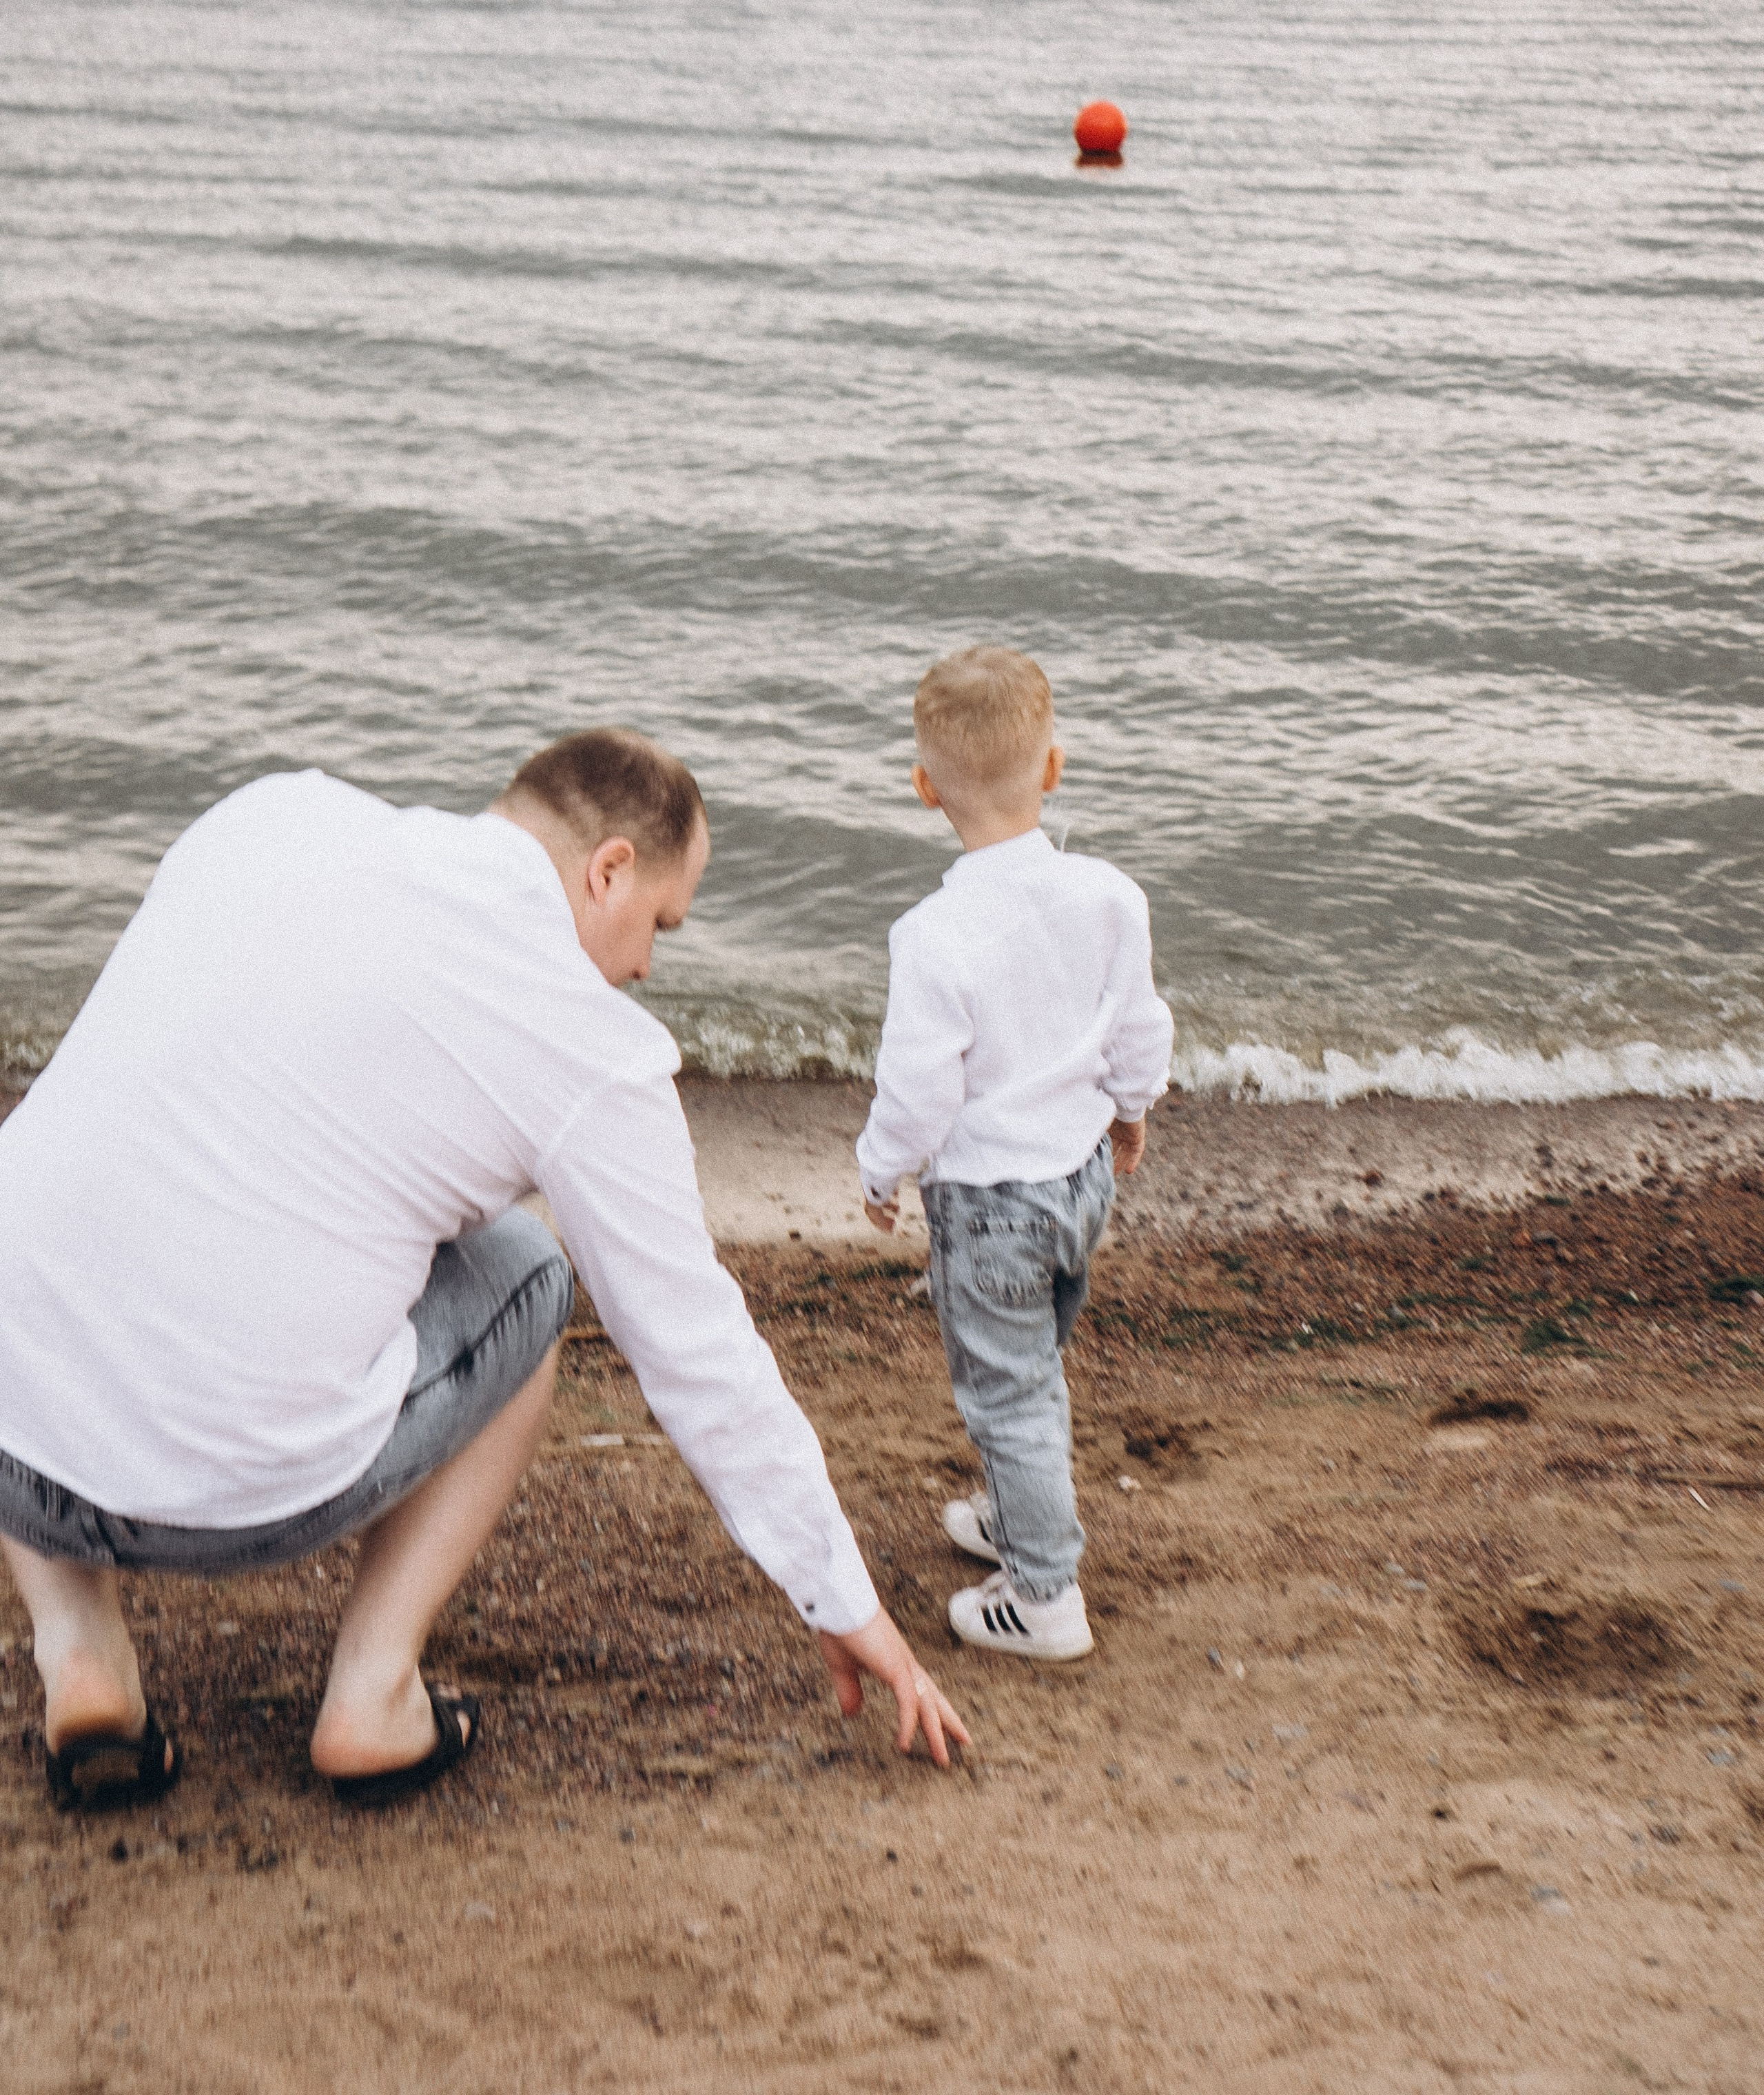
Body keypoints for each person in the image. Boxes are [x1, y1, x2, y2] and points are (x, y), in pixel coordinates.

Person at [0, 730, 967, 1809]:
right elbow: (698, 1356)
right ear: (609, 869)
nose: (647, 964)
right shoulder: (586, 1040)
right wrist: (845, 1602)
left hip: (13, 1450)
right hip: (230, 1492)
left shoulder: (272, 815)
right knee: (527, 1276)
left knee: (58, 1215)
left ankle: (77, 1647)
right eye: (659, 923)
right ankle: (373, 1695)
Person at [857, 649, 1175, 1662]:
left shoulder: (933, 934)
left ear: (923, 790)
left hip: (991, 1205)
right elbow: (1139, 1025)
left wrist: (881, 1167)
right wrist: (1132, 1110)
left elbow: (920, 1085)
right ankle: (1016, 1509)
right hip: (1081, 1184)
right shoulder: (1110, 897)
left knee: (1010, 1388)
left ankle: (1046, 1598)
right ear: (1053, 769)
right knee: (1032, 1367)